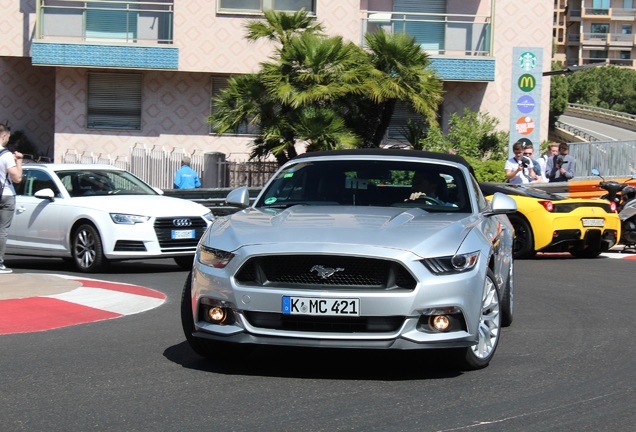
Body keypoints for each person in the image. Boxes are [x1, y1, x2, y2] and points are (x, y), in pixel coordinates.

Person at [0, 123, 24, 274]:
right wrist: (19, 160)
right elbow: (17, 178)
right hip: (5, 195)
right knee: (2, 230)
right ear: (3, 135)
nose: (8, 139)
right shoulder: (6, 155)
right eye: (8, 136)